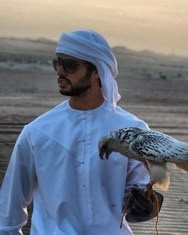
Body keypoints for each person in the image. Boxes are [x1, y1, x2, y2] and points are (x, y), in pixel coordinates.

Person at [0, 29, 163, 235]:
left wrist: (143, 199)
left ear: (97, 71)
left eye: (70, 65)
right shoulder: (37, 132)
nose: (60, 71)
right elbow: (8, 216)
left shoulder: (133, 131)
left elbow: (135, 198)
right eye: (57, 63)